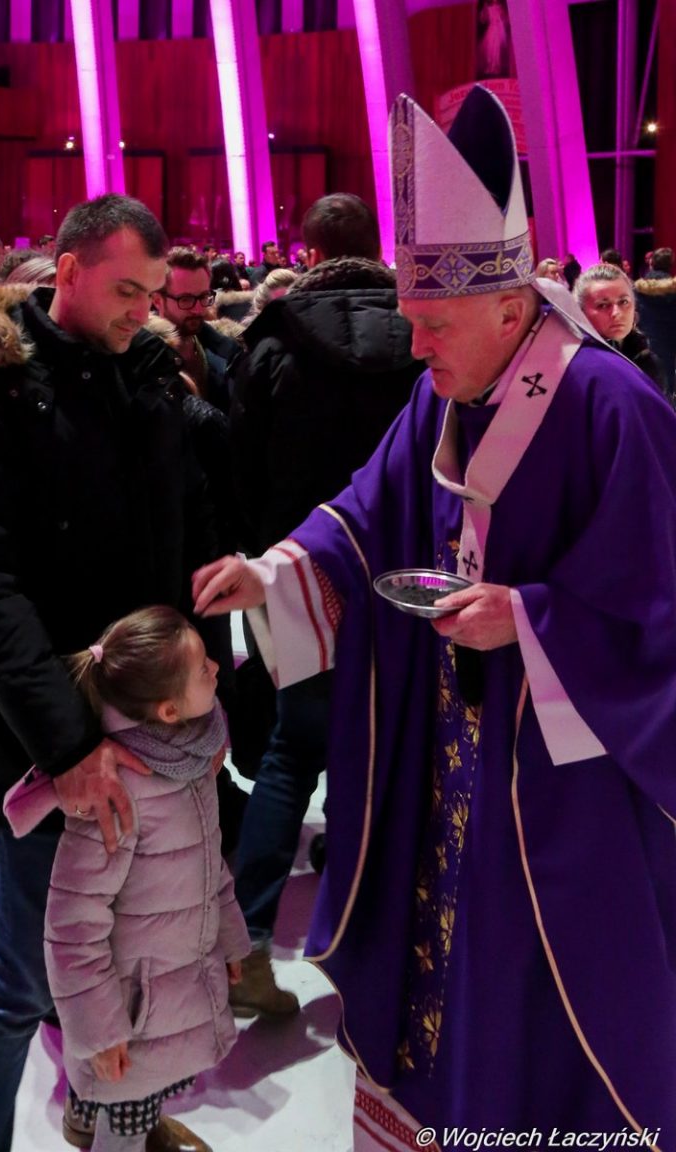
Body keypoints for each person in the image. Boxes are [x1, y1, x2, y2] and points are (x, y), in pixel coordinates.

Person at [193, 87, 676, 1148]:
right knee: (445, 951)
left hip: (563, 777)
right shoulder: (446, 391)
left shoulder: (613, 406)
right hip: (450, 740)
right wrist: (275, 571)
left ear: (510, 307)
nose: (414, 348)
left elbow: (660, 605)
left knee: (540, 981)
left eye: (433, 323)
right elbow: (370, 511)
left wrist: (533, 618)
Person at [0, 193, 216, 1152]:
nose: (145, 308)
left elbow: (183, 523)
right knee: (23, 976)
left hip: (146, 724)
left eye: (153, 292)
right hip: (49, 741)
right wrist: (67, 745)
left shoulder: (148, 377)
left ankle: (115, 1115)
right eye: (127, 290)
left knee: (135, 952)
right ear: (68, 268)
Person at [226, 192, 418, 1018]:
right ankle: (367, 939)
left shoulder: (271, 341)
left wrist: (265, 557)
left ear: (305, 253)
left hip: (298, 565)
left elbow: (238, 464)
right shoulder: (423, 330)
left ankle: (246, 944)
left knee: (292, 746)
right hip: (404, 570)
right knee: (387, 744)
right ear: (376, 245)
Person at [7, 606, 250, 1152]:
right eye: (203, 668)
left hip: (169, 992)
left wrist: (231, 938)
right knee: (126, 1122)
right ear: (168, 710)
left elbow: (210, 867)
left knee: (132, 1099)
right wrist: (99, 1030)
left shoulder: (189, 762)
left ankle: (95, 1121)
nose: (217, 666)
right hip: (132, 1013)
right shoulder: (120, 793)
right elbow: (72, 928)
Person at [154, 247, 241, 414]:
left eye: (203, 297)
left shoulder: (225, 350)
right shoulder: (144, 362)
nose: (198, 309)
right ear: (158, 301)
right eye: (185, 299)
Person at [574, 261, 664, 390]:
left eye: (624, 302)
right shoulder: (574, 368)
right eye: (603, 305)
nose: (616, 313)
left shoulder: (647, 360)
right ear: (581, 312)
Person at [635, 246, 676, 398]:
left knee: (645, 383)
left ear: (651, 263)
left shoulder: (637, 289)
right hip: (669, 342)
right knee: (668, 384)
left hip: (643, 342)